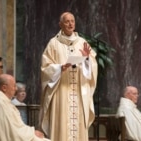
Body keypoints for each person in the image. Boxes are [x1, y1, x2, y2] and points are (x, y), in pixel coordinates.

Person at [39, 11, 98, 141]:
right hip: (61, 91)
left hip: (78, 92)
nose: (70, 24)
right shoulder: (53, 43)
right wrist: (60, 68)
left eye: (72, 21)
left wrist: (87, 58)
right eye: (67, 21)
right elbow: (45, 68)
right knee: (61, 126)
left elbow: (92, 68)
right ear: (60, 24)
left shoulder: (82, 42)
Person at [0, 74, 51, 141]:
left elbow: (14, 127)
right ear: (4, 88)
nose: (16, 89)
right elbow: (11, 131)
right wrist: (32, 133)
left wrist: (31, 132)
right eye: (14, 86)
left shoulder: (1, 100)